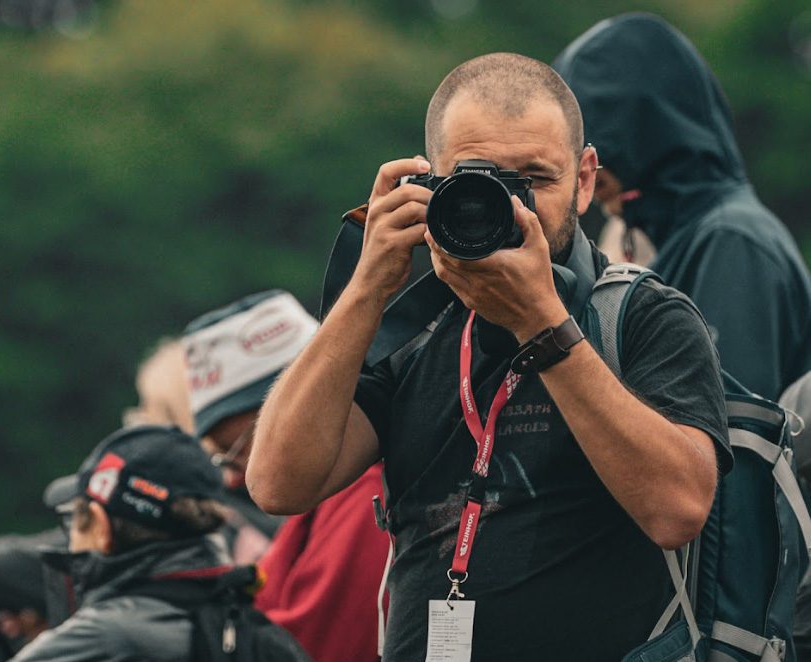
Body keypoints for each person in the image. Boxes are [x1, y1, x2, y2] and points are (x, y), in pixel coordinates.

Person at [245, 52, 731, 660]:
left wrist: (542, 324)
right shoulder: (414, 332)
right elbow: (278, 483)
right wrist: (368, 286)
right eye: (480, 180)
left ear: (584, 181)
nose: (512, 206)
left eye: (536, 178)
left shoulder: (643, 317)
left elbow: (679, 510)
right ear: (429, 184)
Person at [552, 12, 811, 401]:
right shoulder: (690, 238)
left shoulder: (732, 243)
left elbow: (729, 439)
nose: (584, 185)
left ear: (642, 136)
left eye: (598, 170)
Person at [184, 290, 390, 662]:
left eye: (240, 448)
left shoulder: (364, 491)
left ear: (295, 407)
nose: (232, 480)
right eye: (222, 458)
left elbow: (318, 646)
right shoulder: (323, 498)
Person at [11, 425, 305, 661]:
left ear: (100, 528)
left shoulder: (103, 639)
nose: (70, 537)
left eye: (73, 519)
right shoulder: (262, 635)